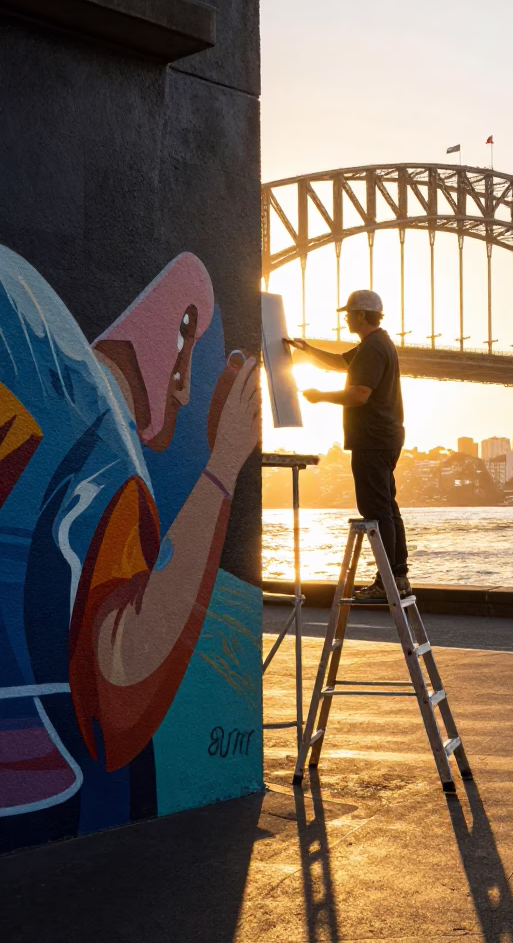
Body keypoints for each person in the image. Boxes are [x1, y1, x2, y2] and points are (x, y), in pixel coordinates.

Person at [0, 246, 260, 848]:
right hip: (47, 804)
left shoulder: (29, 350)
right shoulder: (98, 454)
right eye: (186, 335)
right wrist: (223, 465)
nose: (186, 387)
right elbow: (116, 686)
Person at [285, 290, 410, 602]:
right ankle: (398, 577)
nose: (345, 317)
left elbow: (358, 395)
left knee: (376, 508)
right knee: (388, 505)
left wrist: (319, 396)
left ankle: (387, 582)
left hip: (372, 438)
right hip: (384, 437)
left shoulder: (373, 348)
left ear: (362, 316)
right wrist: (308, 349)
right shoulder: (376, 344)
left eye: (349, 313)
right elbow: (341, 362)